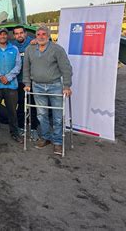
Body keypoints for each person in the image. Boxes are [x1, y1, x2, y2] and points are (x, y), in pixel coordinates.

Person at [23, 25, 73, 155]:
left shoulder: (57, 49)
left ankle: (57, 142)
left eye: (43, 34)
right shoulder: (30, 49)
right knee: (41, 114)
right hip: (37, 86)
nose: (41, 36)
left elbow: (66, 68)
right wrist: (27, 83)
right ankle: (45, 137)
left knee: (57, 116)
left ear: (49, 35)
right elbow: (26, 68)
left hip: (55, 86)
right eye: (38, 34)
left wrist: (66, 86)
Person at [0, 27, 22, 142]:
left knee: (12, 111)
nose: (2, 36)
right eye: (0, 34)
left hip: (11, 85)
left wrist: (8, 77)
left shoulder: (14, 49)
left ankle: (14, 132)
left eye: (4, 34)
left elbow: (18, 65)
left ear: (7, 36)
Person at [12, 25, 39, 140]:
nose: (19, 35)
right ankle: (20, 127)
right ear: (14, 35)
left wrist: (37, 40)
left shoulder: (32, 43)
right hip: (18, 80)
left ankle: (33, 129)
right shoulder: (12, 46)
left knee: (33, 105)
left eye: (21, 33)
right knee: (20, 105)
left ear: (25, 33)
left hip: (31, 80)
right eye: (17, 33)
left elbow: (47, 41)